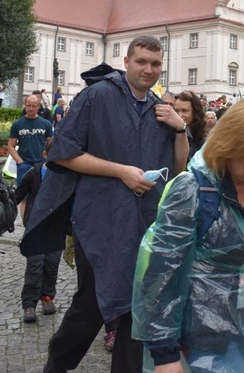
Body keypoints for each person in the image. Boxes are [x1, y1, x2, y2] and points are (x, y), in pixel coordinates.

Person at [21, 34, 189, 373]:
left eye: (155, 64)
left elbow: (179, 169)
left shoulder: (160, 110)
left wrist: (181, 128)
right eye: (141, 61)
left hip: (143, 220)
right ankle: (57, 364)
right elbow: (63, 154)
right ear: (126, 62)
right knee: (93, 302)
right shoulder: (98, 96)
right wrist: (121, 173)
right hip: (99, 218)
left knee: (135, 303)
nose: (148, 69)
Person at [132, 98, 244, 371]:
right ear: (230, 145)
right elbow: (162, 273)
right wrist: (165, 354)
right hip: (199, 340)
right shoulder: (191, 190)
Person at [16, 137, 62, 324]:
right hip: (35, 228)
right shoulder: (34, 174)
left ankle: (47, 297)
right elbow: (18, 195)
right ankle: (29, 304)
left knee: (51, 265)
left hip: (55, 229)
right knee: (35, 267)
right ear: (45, 155)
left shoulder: (64, 176)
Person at [8, 95, 53, 185]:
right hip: (24, 163)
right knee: (22, 195)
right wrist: (20, 162)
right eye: (28, 105)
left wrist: (48, 160)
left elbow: (51, 144)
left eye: (34, 106)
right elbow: (10, 146)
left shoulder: (46, 124)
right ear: (25, 105)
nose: (31, 108)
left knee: (42, 192)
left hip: (42, 163)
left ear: (38, 107)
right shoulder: (17, 124)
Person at [175, 90, 206, 161]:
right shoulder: (170, 135)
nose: (179, 115)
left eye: (184, 111)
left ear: (195, 112)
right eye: (176, 111)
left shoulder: (204, 140)